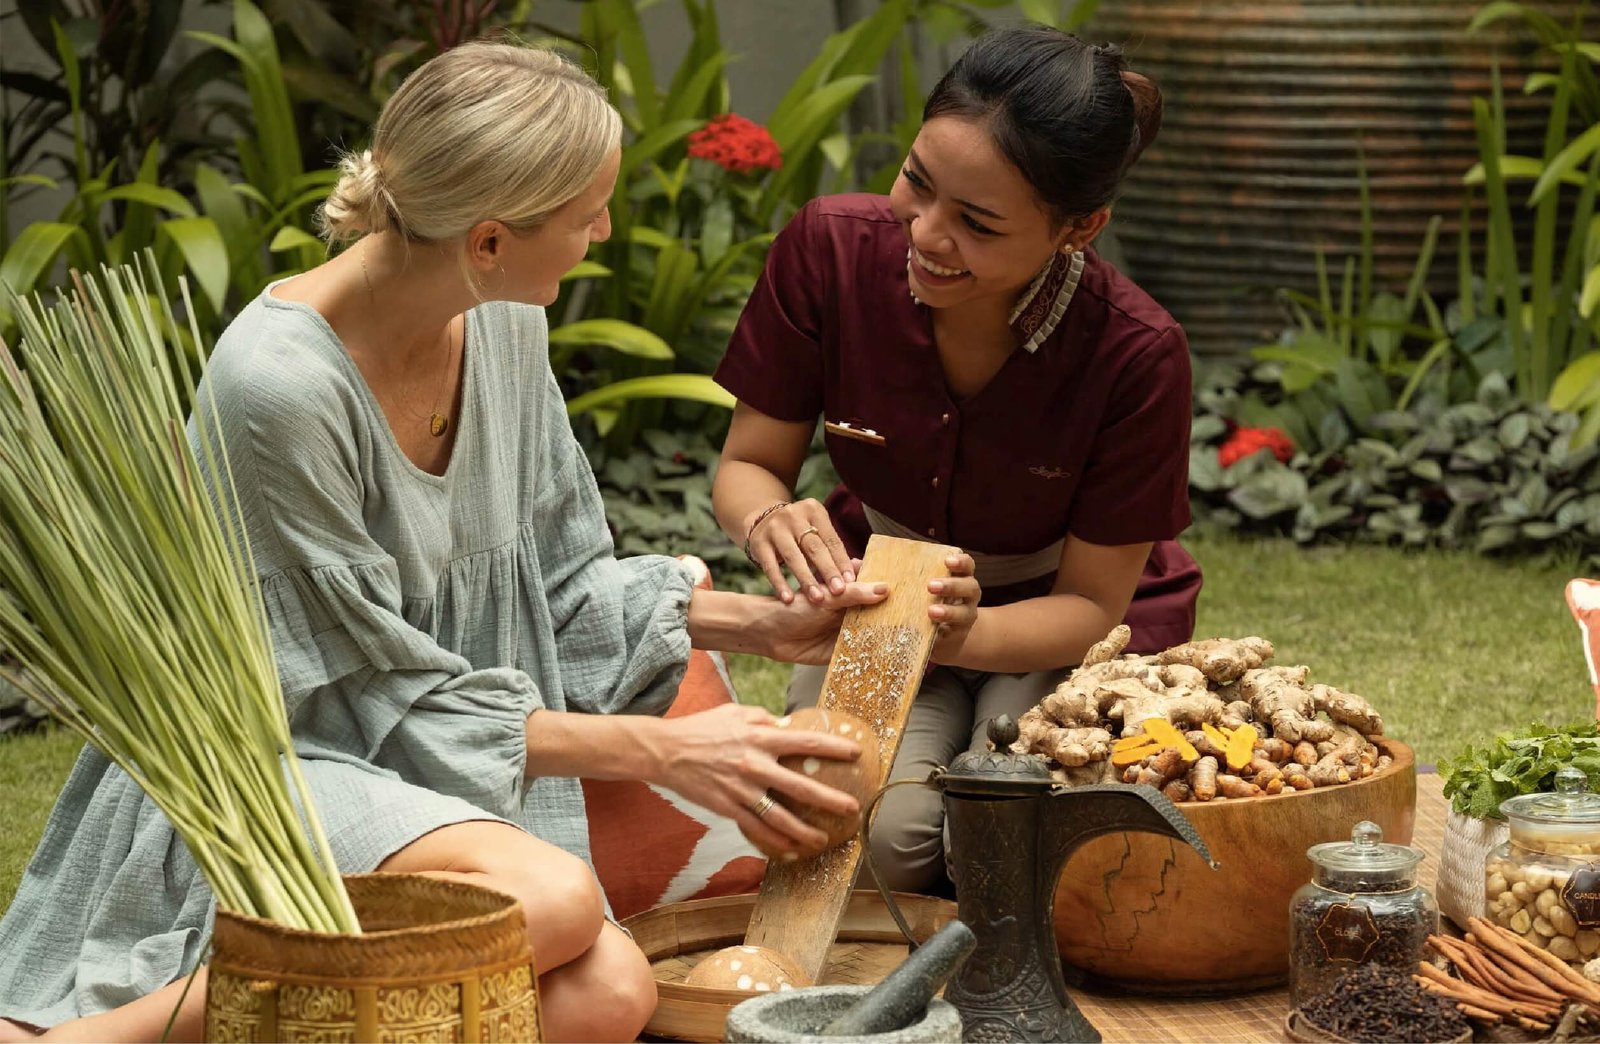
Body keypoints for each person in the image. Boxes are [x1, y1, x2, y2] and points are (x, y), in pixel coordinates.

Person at [0, 42, 979, 1043]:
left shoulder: (500, 319)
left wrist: (768, 628)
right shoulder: (280, 388)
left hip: (422, 757)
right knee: (550, 909)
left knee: (606, 997)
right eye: (586, 211)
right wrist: (667, 750)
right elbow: (360, 695)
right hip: (282, 752)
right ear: (489, 240)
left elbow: (556, 585)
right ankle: (107, 1036)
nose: (603, 231)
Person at [711, 26, 1201, 897]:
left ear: (1079, 227)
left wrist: (969, 633)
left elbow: (1092, 603)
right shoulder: (828, 250)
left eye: (976, 224)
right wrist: (768, 518)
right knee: (882, 843)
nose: (926, 235)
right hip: (888, 597)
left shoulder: (1137, 353)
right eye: (917, 182)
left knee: (1005, 825)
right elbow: (749, 464)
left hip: (1059, 616)